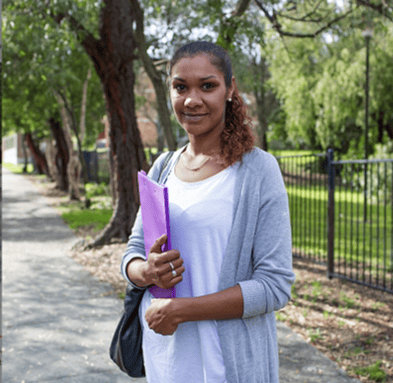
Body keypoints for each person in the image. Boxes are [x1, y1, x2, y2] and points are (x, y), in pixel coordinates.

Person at [121, 41, 295, 383]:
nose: (192, 99)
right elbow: (132, 253)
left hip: (226, 364)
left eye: (208, 85)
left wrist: (181, 311)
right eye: (180, 87)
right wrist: (146, 271)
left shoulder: (258, 171)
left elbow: (274, 286)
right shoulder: (163, 167)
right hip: (166, 358)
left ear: (229, 90)